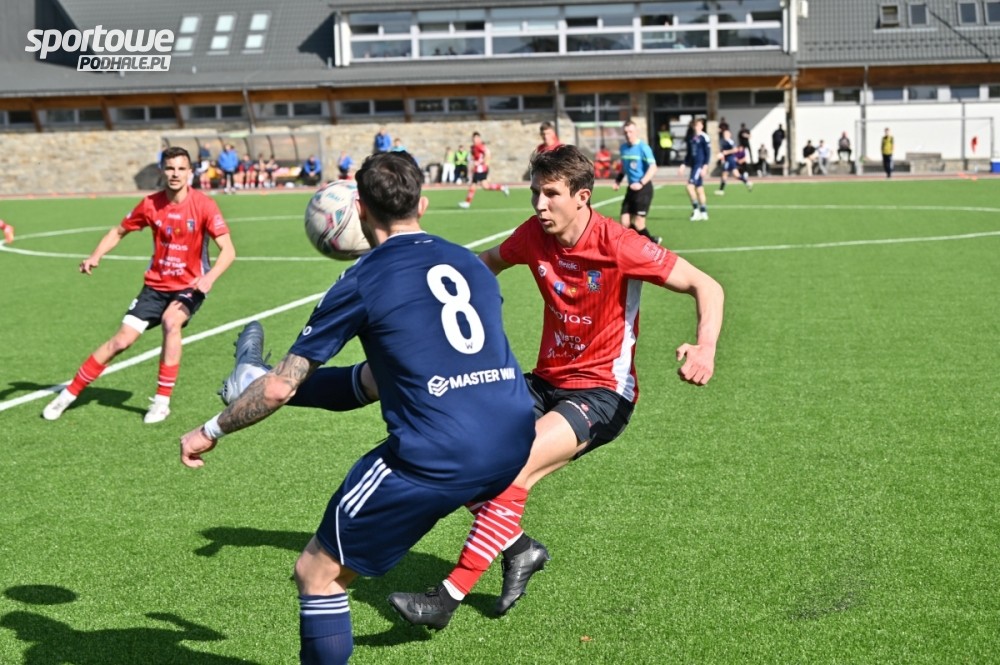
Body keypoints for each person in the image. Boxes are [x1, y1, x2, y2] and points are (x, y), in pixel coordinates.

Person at [179, 151, 535, 664]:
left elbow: (280, 390)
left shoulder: (363, 278)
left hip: (441, 454)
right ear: (422, 203)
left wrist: (211, 428)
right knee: (411, 418)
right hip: (516, 439)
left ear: (360, 209)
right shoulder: (469, 263)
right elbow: (370, 383)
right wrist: (264, 384)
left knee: (317, 574)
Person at [387, 144, 724, 629]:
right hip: (545, 382)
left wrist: (705, 347)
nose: (539, 205)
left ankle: (447, 597)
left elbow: (706, 285)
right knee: (451, 447)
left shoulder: (620, 244)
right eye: (534, 193)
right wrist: (433, 298)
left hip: (602, 393)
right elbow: (483, 264)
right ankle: (519, 548)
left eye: (551, 194)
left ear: (582, 197)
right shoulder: (533, 235)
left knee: (515, 470)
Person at [42, 147, 235, 424]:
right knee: (121, 341)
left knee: (171, 321)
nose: (175, 174)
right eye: (170, 168)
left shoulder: (204, 205)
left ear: (190, 172)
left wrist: (209, 277)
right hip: (155, 287)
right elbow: (118, 231)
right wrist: (96, 255)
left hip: (189, 286)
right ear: (162, 171)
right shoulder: (150, 204)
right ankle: (68, 394)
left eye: (181, 169)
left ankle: (161, 402)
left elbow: (228, 250)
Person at [612, 120, 659, 243]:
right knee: (624, 223)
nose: (628, 134)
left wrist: (641, 183)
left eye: (631, 131)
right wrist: (618, 181)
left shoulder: (643, 148)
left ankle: (653, 245)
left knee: (638, 223)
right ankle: (642, 243)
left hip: (644, 189)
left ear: (636, 132)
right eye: (626, 132)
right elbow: (624, 167)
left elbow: (653, 167)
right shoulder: (623, 148)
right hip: (631, 189)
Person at [458, 131, 509, 208]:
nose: (474, 140)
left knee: (474, 185)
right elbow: (473, 157)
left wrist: (482, 162)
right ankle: (503, 187)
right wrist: (472, 162)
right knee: (485, 186)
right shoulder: (473, 147)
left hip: (481, 169)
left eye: (476, 138)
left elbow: (487, 153)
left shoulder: (480, 146)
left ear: (479, 138)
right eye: (473, 138)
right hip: (478, 169)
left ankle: (467, 203)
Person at [682, 117, 711, 221]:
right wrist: (684, 164)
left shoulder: (704, 137)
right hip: (693, 166)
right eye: (695, 125)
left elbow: (708, 153)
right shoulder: (691, 138)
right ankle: (704, 212)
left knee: (689, 187)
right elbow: (689, 153)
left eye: (699, 125)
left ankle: (696, 210)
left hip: (699, 166)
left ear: (702, 126)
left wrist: (705, 166)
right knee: (699, 189)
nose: (697, 127)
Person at [715, 129, 753, 195]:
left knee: (724, 174)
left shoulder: (730, 141)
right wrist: (721, 156)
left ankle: (721, 190)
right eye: (724, 134)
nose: (725, 135)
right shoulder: (723, 141)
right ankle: (747, 182)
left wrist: (726, 152)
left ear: (729, 134)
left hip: (730, 160)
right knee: (736, 175)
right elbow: (722, 151)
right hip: (728, 159)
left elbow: (735, 150)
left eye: (727, 134)